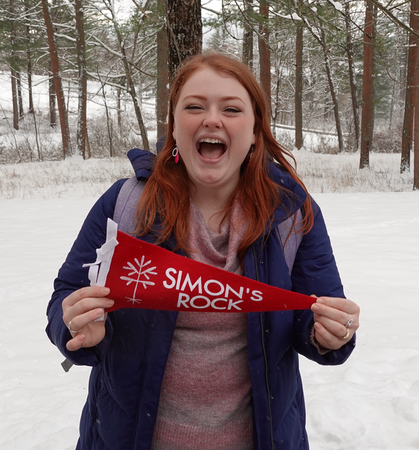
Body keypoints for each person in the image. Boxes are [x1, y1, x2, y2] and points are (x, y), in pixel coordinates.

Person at [46, 52, 360, 450]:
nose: (212, 119)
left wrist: (331, 335)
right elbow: (65, 295)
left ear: (255, 131)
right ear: (174, 126)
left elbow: (316, 313)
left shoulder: (292, 216)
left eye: (231, 108)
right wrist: (75, 326)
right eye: (194, 106)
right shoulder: (123, 205)